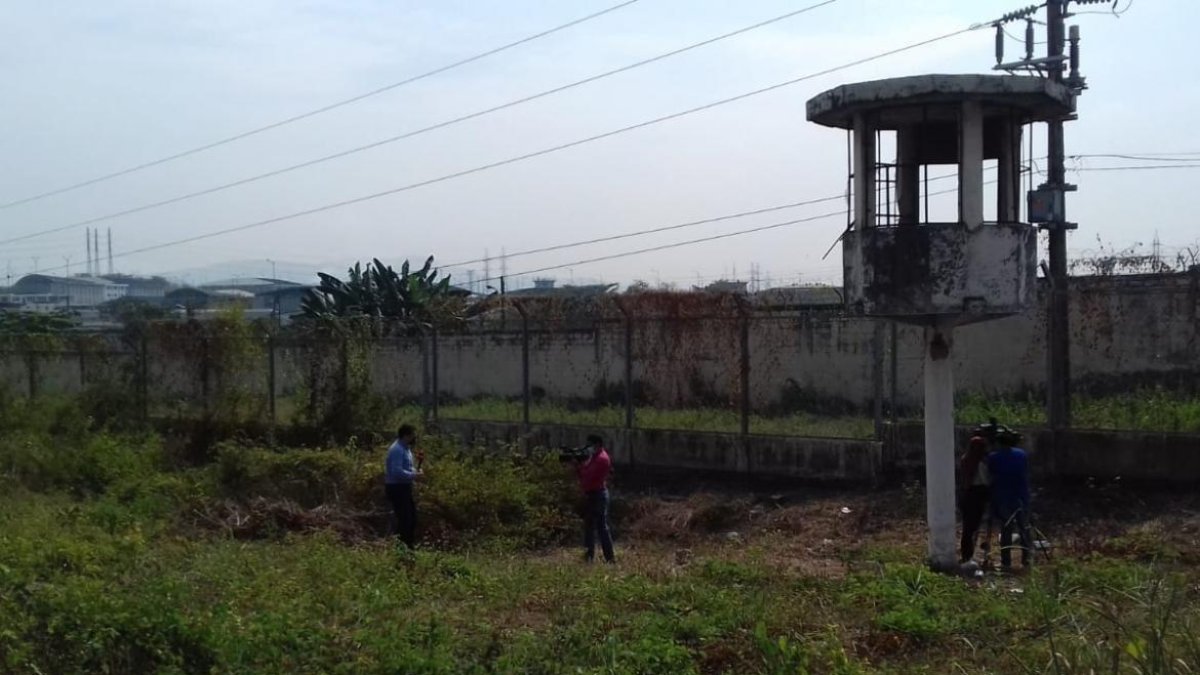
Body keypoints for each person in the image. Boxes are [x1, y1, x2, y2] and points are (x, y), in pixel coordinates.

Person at [986, 427, 1033, 570]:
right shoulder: (1022, 454)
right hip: (1021, 497)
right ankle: (1026, 559)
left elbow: (990, 474)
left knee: (1006, 530)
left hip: (1003, 497)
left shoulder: (994, 457)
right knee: (1024, 528)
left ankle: (1006, 562)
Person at [573, 434, 615, 564]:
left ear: (597, 444)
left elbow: (588, 475)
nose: (589, 448)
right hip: (593, 494)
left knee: (601, 527)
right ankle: (589, 556)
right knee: (590, 526)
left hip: (598, 494)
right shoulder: (595, 457)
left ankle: (609, 558)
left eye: (590, 445)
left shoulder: (601, 459)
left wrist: (578, 466)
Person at [384, 424, 422, 548]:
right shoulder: (397, 450)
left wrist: (415, 472)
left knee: (412, 518)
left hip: (404, 488)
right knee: (405, 519)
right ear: (406, 435)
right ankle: (402, 548)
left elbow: (407, 467)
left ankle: (408, 546)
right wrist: (413, 475)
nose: (414, 437)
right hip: (397, 488)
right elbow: (396, 472)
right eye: (412, 435)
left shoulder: (406, 449)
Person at [958, 435, 991, 563]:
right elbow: (985, 480)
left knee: (967, 527)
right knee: (974, 526)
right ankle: (969, 554)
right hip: (977, 494)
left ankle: (966, 553)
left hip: (966, 494)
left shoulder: (965, 459)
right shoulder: (981, 463)